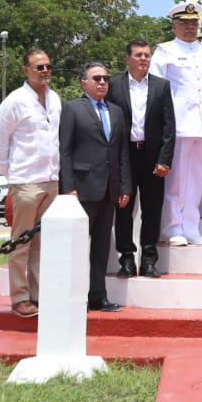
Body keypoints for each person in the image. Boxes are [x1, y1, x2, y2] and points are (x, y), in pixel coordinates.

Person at [0, 46, 61, 318]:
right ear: (25, 70)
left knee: (43, 243)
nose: (44, 71)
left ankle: (39, 295)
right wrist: (13, 179)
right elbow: (0, 142)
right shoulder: (15, 101)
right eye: (39, 67)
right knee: (21, 243)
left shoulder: (55, 99)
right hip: (26, 182)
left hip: (51, 181)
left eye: (48, 66)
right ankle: (19, 297)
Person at [151, 2, 202, 248]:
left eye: (193, 23)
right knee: (176, 179)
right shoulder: (164, 51)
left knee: (197, 176)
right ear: (174, 26)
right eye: (184, 24)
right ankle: (173, 227)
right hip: (177, 123)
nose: (189, 28)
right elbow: (155, 88)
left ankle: (191, 226)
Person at [58, 62, 133, 312]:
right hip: (81, 189)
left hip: (109, 190)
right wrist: (68, 187)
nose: (102, 82)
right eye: (97, 78)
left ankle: (98, 296)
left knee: (101, 247)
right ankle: (72, 296)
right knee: (77, 247)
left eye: (105, 78)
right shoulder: (72, 109)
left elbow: (122, 152)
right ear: (83, 83)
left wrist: (125, 186)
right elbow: (65, 151)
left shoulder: (116, 111)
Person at [108, 38, 176, 278]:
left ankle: (148, 260)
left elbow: (169, 126)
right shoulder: (114, 85)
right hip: (124, 157)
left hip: (152, 158)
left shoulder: (161, 86)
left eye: (147, 55)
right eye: (139, 55)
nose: (144, 59)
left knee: (152, 210)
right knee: (124, 209)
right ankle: (126, 259)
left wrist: (165, 159)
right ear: (128, 58)